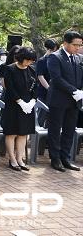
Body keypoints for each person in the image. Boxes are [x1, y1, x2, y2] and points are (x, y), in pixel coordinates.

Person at [47, 31, 83, 172]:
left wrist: (80, 91)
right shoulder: (55, 57)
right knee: (55, 130)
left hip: (74, 101)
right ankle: (55, 159)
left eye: (80, 45)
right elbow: (57, 79)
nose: (77, 47)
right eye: (75, 45)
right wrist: (74, 91)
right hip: (59, 99)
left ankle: (65, 158)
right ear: (65, 43)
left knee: (69, 129)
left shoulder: (79, 58)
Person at [1, 47, 37, 172]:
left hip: (28, 106)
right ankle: (12, 159)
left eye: (31, 61)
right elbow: (9, 88)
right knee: (11, 133)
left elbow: (35, 88)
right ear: (21, 58)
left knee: (23, 133)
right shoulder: (10, 69)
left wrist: (32, 101)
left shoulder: (32, 70)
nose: (29, 63)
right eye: (27, 60)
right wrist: (20, 102)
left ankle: (20, 158)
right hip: (13, 105)